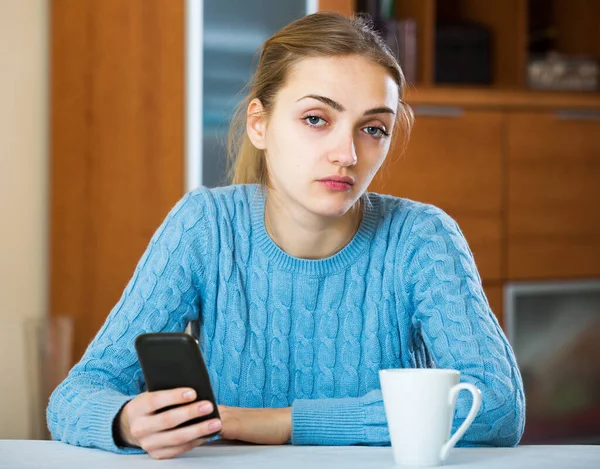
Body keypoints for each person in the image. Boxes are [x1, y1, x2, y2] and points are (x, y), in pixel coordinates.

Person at [47, 12, 525, 460]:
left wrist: (281, 423)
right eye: (316, 119)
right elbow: (76, 395)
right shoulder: (206, 226)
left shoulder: (422, 237)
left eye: (373, 128)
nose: (347, 154)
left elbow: (500, 406)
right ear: (260, 124)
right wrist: (127, 422)